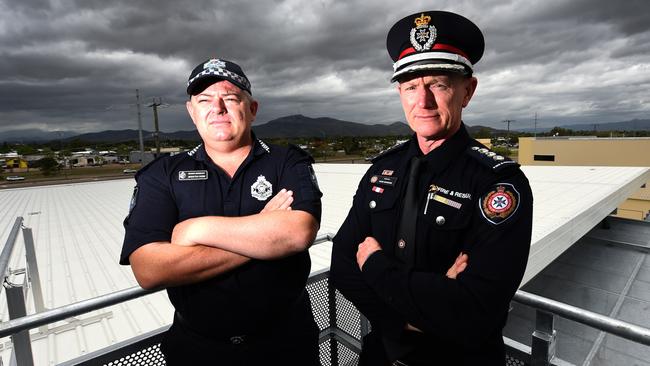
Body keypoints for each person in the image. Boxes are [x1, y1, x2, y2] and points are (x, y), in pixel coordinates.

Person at [330, 10, 533, 366]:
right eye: (410, 87)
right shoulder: (382, 169)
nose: (422, 101)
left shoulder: (497, 183)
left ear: (467, 91)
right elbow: (343, 264)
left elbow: (477, 307)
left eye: (438, 84)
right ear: (400, 93)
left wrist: (376, 267)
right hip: (382, 354)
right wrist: (406, 317)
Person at [119, 57, 322, 365]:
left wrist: (194, 230)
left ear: (252, 109)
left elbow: (297, 232)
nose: (218, 108)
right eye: (204, 100)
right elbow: (149, 269)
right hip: (198, 350)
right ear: (192, 111)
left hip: (285, 346)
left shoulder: (288, 163)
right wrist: (264, 231)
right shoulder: (162, 175)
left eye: (230, 98)